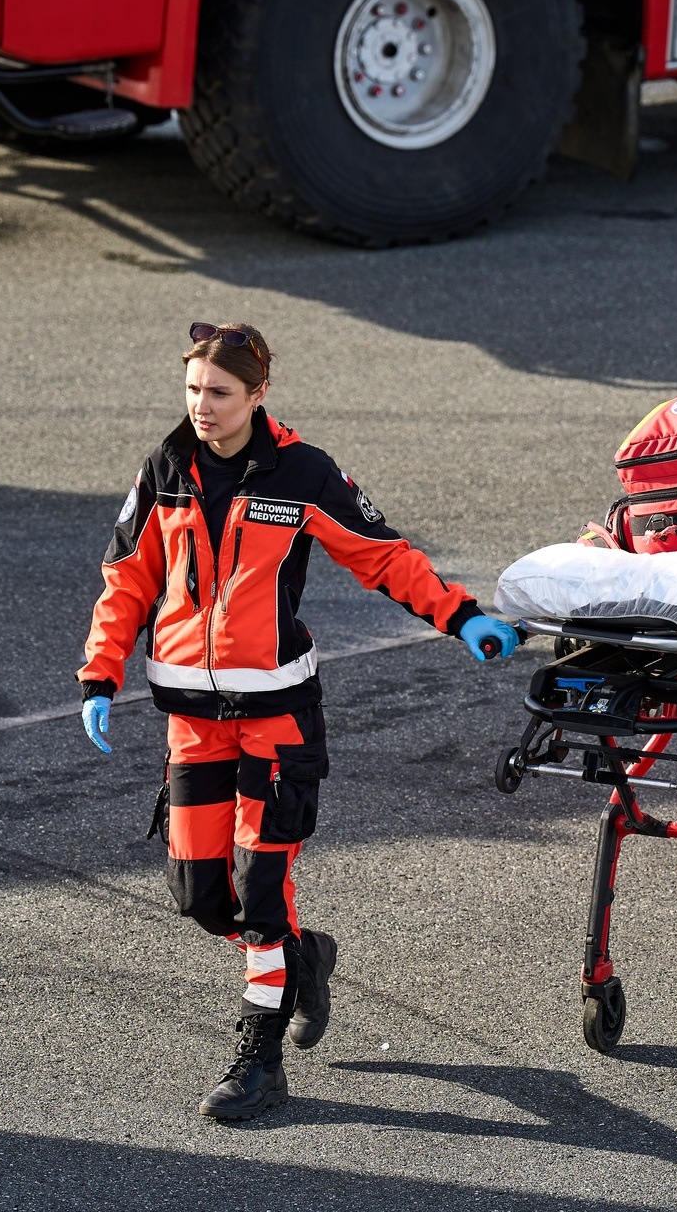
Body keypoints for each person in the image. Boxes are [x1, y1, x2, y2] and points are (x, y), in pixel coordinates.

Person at [75, 322, 517, 1120]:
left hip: (277, 718)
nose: (202, 407)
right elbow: (127, 578)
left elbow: (381, 553)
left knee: (261, 894)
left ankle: (260, 1061)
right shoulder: (166, 468)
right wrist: (100, 676)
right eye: (192, 390)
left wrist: (461, 615)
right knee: (202, 897)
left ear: (258, 394)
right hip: (192, 719)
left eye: (219, 393)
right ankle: (303, 960)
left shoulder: (303, 472)